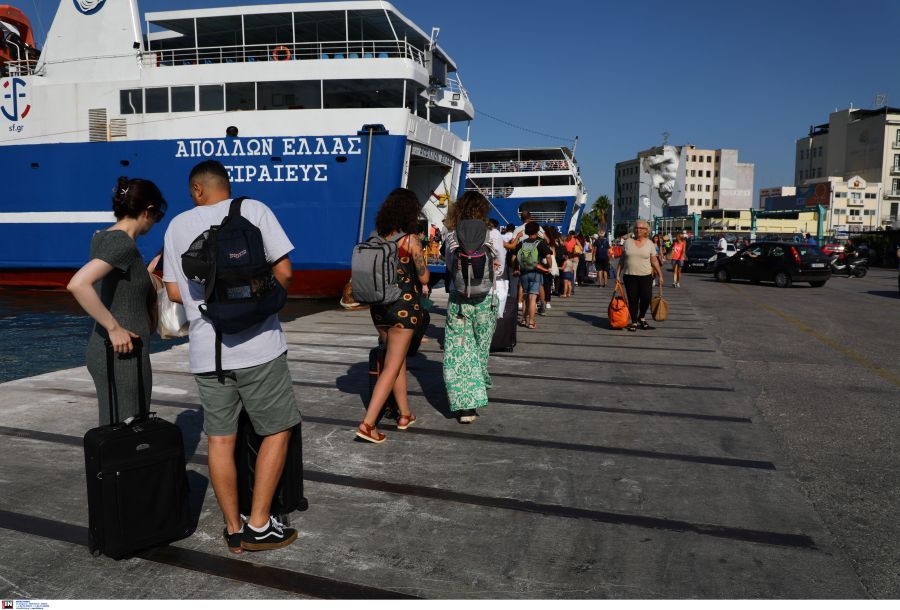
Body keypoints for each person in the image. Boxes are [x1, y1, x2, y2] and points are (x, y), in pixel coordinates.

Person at [162, 160, 299, 553]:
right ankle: (259, 523)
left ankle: (233, 529)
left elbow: (174, 293)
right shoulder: (253, 210)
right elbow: (285, 272)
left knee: (220, 440)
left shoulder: (176, 227)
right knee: (276, 429)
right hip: (259, 346)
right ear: (227, 185)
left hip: (208, 352)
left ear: (197, 190)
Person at [68, 177, 166, 426]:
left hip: (105, 351)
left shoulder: (102, 237)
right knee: (131, 432)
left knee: (114, 431)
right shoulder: (123, 243)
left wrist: (145, 273)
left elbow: (119, 285)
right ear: (148, 211)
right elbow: (78, 284)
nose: (155, 223)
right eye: (158, 216)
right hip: (124, 353)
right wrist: (115, 329)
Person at [357, 188, 429, 440]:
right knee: (391, 366)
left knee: (395, 361)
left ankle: (404, 414)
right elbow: (424, 277)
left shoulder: (375, 236)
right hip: (404, 308)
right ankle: (368, 424)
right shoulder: (410, 240)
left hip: (378, 307)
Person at [444, 193, 498, 423]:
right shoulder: (493, 235)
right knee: (480, 348)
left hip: (459, 299)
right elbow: (500, 265)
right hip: (486, 299)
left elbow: (448, 265)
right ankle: (479, 388)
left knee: (460, 350)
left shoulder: (451, 236)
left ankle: (467, 406)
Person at [617, 220, 663, 332]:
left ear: (646, 231)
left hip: (646, 276)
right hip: (629, 275)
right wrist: (618, 274)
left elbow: (655, 261)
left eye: (641, 228)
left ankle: (641, 317)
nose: (638, 230)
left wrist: (660, 275)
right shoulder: (628, 242)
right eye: (637, 228)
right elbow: (622, 259)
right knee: (632, 299)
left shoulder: (650, 244)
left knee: (646, 298)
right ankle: (634, 321)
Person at [514, 221, 552, 330]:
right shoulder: (540, 242)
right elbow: (548, 256)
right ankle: (531, 322)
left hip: (524, 272)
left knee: (525, 297)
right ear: (536, 231)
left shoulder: (522, 243)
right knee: (533, 298)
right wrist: (549, 267)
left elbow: (515, 257)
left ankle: (523, 319)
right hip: (536, 272)